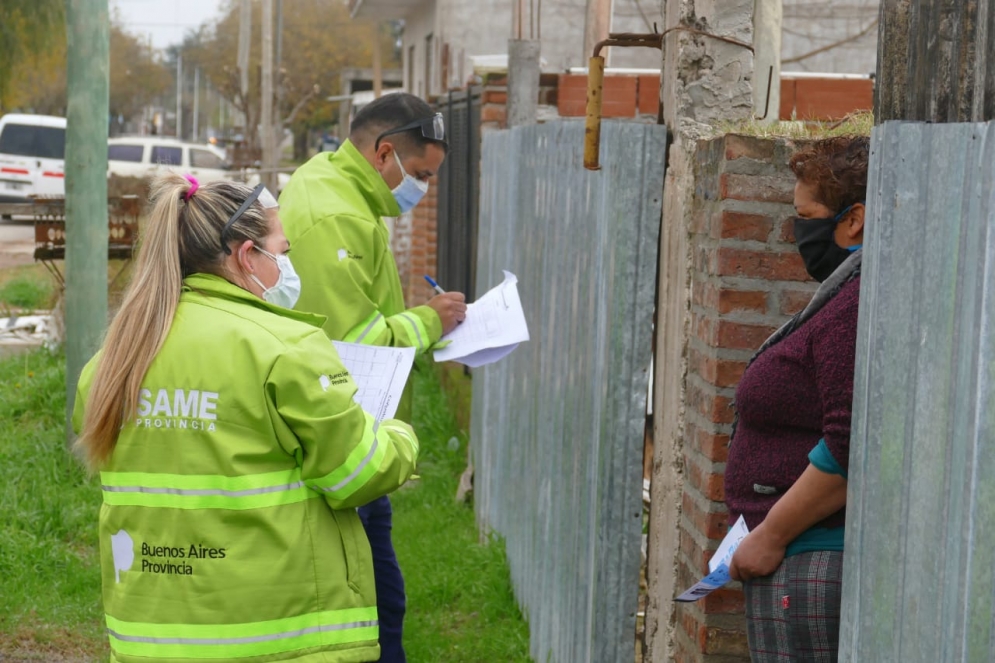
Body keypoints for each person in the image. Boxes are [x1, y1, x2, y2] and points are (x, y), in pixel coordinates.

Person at [72, 173, 420, 663]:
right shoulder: (285, 348)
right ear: (246, 254)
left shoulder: (118, 355)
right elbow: (356, 473)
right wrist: (398, 435)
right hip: (277, 637)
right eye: (283, 250)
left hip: (150, 639)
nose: (289, 264)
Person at [279, 92, 466, 663]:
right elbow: (352, 347)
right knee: (374, 614)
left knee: (383, 603)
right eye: (420, 174)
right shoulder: (332, 213)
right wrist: (428, 323)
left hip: (357, 433)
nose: (422, 189)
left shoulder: (344, 194)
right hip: (339, 437)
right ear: (385, 153)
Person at [725, 135, 869, 662]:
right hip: (797, 561)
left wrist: (771, 535)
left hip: (809, 564)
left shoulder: (854, 305)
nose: (797, 233)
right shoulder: (845, 290)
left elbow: (849, 442)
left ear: (853, 219)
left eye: (805, 216)